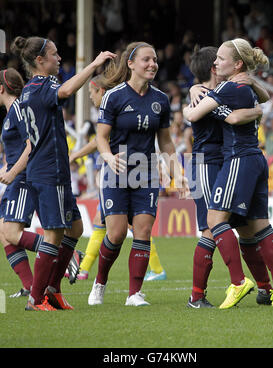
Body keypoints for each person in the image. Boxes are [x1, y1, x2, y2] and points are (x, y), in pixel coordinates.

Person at [183, 38, 273, 308]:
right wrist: (256, 108)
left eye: (220, 59)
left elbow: (197, 116)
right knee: (251, 227)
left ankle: (229, 285)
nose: (216, 63)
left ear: (234, 65)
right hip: (218, 161)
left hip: (231, 160)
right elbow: (207, 113)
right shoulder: (217, 89)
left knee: (215, 224)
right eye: (216, 59)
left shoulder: (227, 88)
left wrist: (253, 106)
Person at [11, 35, 116, 311]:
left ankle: (52, 289)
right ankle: (36, 299)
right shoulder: (44, 84)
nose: (59, 59)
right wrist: (94, 64)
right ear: (39, 60)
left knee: (75, 227)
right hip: (49, 171)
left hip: (48, 169)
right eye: (55, 55)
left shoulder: (29, 91)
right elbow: (67, 92)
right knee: (54, 234)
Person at [88, 41, 187, 307]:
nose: (152, 64)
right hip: (116, 172)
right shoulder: (114, 96)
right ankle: (100, 283)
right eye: (146, 60)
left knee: (142, 231)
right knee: (117, 233)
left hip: (146, 174)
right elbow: (100, 137)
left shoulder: (161, 100)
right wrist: (108, 157)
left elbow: (165, 142)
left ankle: (134, 294)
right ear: (131, 64)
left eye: (154, 59)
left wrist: (178, 174)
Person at [68, 76, 167, 282]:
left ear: (100, 90)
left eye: (91, 93)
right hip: (116, 172)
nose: (91, 98)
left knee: (133, 226)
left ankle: (155, 269)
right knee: (106, 222)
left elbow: (99, 140)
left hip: (125, 172)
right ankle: (85, 269)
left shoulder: (114, 105)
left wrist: (76, 155)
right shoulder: (116, 103)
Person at [0, 68, 43, 297]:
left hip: (23, 178)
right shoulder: (10, 113)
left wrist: (13, 172)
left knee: (12, 232)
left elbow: (30, 145)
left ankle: (64, 253)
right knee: (3, 231)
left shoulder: (17, 109)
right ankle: (29, 286)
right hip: (15, 177)